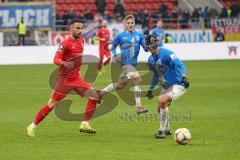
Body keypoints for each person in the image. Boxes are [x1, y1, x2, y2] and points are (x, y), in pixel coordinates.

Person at [27, 19, 100, 137]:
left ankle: (85, 124)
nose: (80, 30)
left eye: (81, 28)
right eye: (78, 28)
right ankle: (32, 126)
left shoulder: (81, 41)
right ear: (71, 29)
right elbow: (55, 59)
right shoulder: (65, 44)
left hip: (76, 79)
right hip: (65, 81)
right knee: (51, 104)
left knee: (94, 96)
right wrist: (63, 63)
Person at [100, 15, 148, 114]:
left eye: (132, 23)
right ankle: (139, 106)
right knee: (138, 80)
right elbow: (112, 47)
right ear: (125, 24)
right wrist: (115, 55)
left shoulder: (139, 35)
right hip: (126, 64)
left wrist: (151, 45)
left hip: (133, 65)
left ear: (134, 24)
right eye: (128, 23)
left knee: (119, 85)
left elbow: (146, 49)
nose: (130, 24)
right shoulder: (120, 36)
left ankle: (100, 93)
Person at [145, 35, 189, 139]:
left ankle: (161, 131)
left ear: (156, 43)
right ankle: (168, 129)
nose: (151, 45)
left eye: (152, 42)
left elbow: (180, 65)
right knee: (160, 108)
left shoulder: (167, 53)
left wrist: (184, 75)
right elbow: (156, 75)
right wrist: (150, 89)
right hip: (166, 87)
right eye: (149, 43)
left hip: (178, 84)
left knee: (162, 100)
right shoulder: (150, 59)